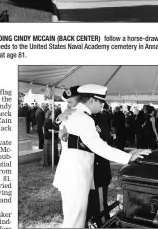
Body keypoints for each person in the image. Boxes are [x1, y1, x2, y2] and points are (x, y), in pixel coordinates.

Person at [53, 84, 151, 228]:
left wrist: (128, 153)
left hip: (74, 175)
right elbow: (99, 147)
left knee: (75, 219)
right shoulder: (83, 118)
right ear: (92, 100)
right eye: (100, 102)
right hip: (75, 177)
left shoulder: (74, 113)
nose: (102, 106)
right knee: (74, 222)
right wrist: (128, 157)